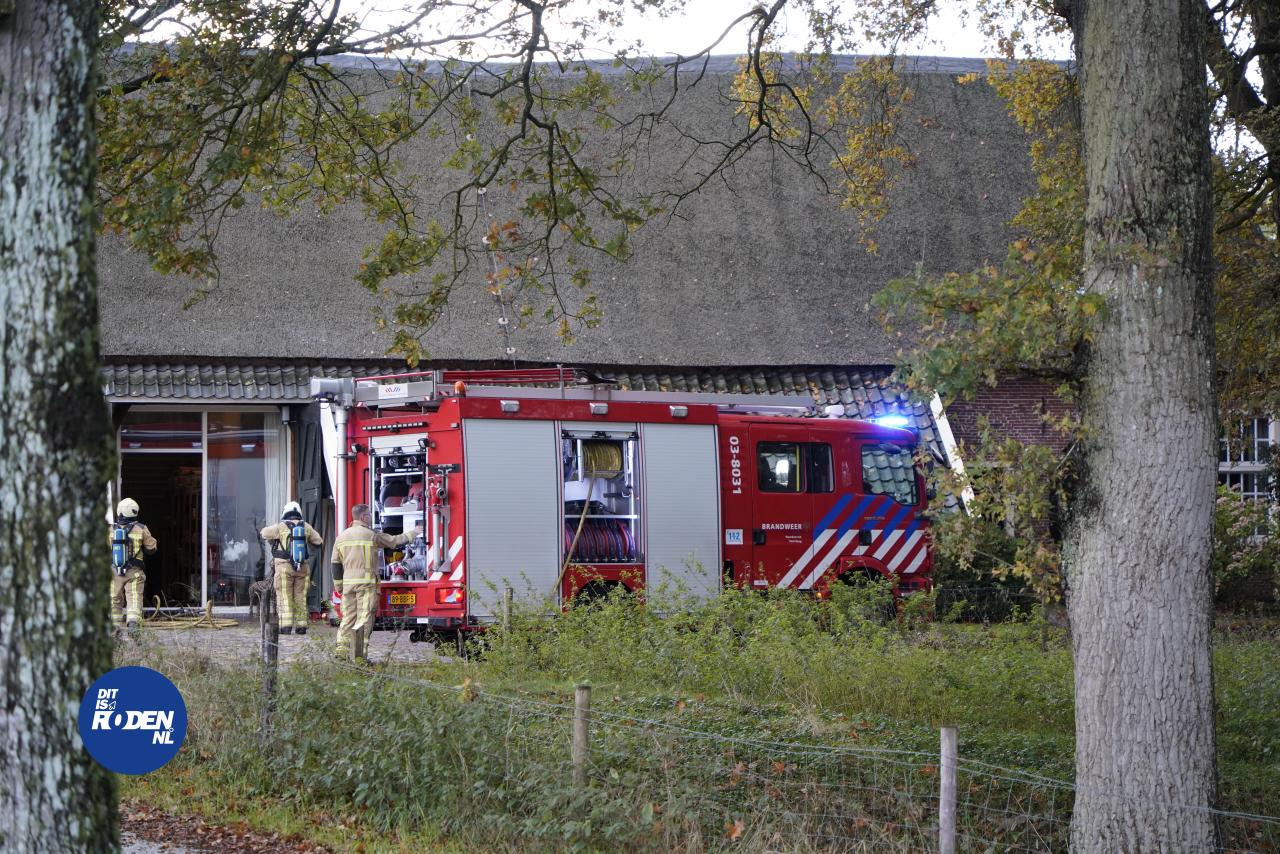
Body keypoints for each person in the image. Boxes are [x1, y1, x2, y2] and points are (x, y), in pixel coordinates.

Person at [330, 504, 421, 663]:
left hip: (348, 585)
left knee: (348, 618)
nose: (371, 517)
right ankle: (359, 655)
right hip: (366, 584)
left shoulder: (341, 537)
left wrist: (339, 587)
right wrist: (414, 532)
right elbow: (394, 541)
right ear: (363, 517)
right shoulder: (371, 535)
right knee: (364, 617)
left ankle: (341, 652)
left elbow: (335, 565)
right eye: (369, 515)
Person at [260, 501, 325, 635]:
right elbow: (318, 541)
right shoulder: (306, 526)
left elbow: (264, 533)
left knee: (284, 596)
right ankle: (301, 626)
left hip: (284, 568)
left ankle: (286, 626)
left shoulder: (281, 527)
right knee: (300, 596)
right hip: (303, 567)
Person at [110, 498, 156, 630]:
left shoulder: (110, 529)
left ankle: (114, 628)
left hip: (114, 572)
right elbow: (152, 549)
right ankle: (133, 624)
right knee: (134, 597)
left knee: (114, 599)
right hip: (134, 572)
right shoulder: (141, 528)